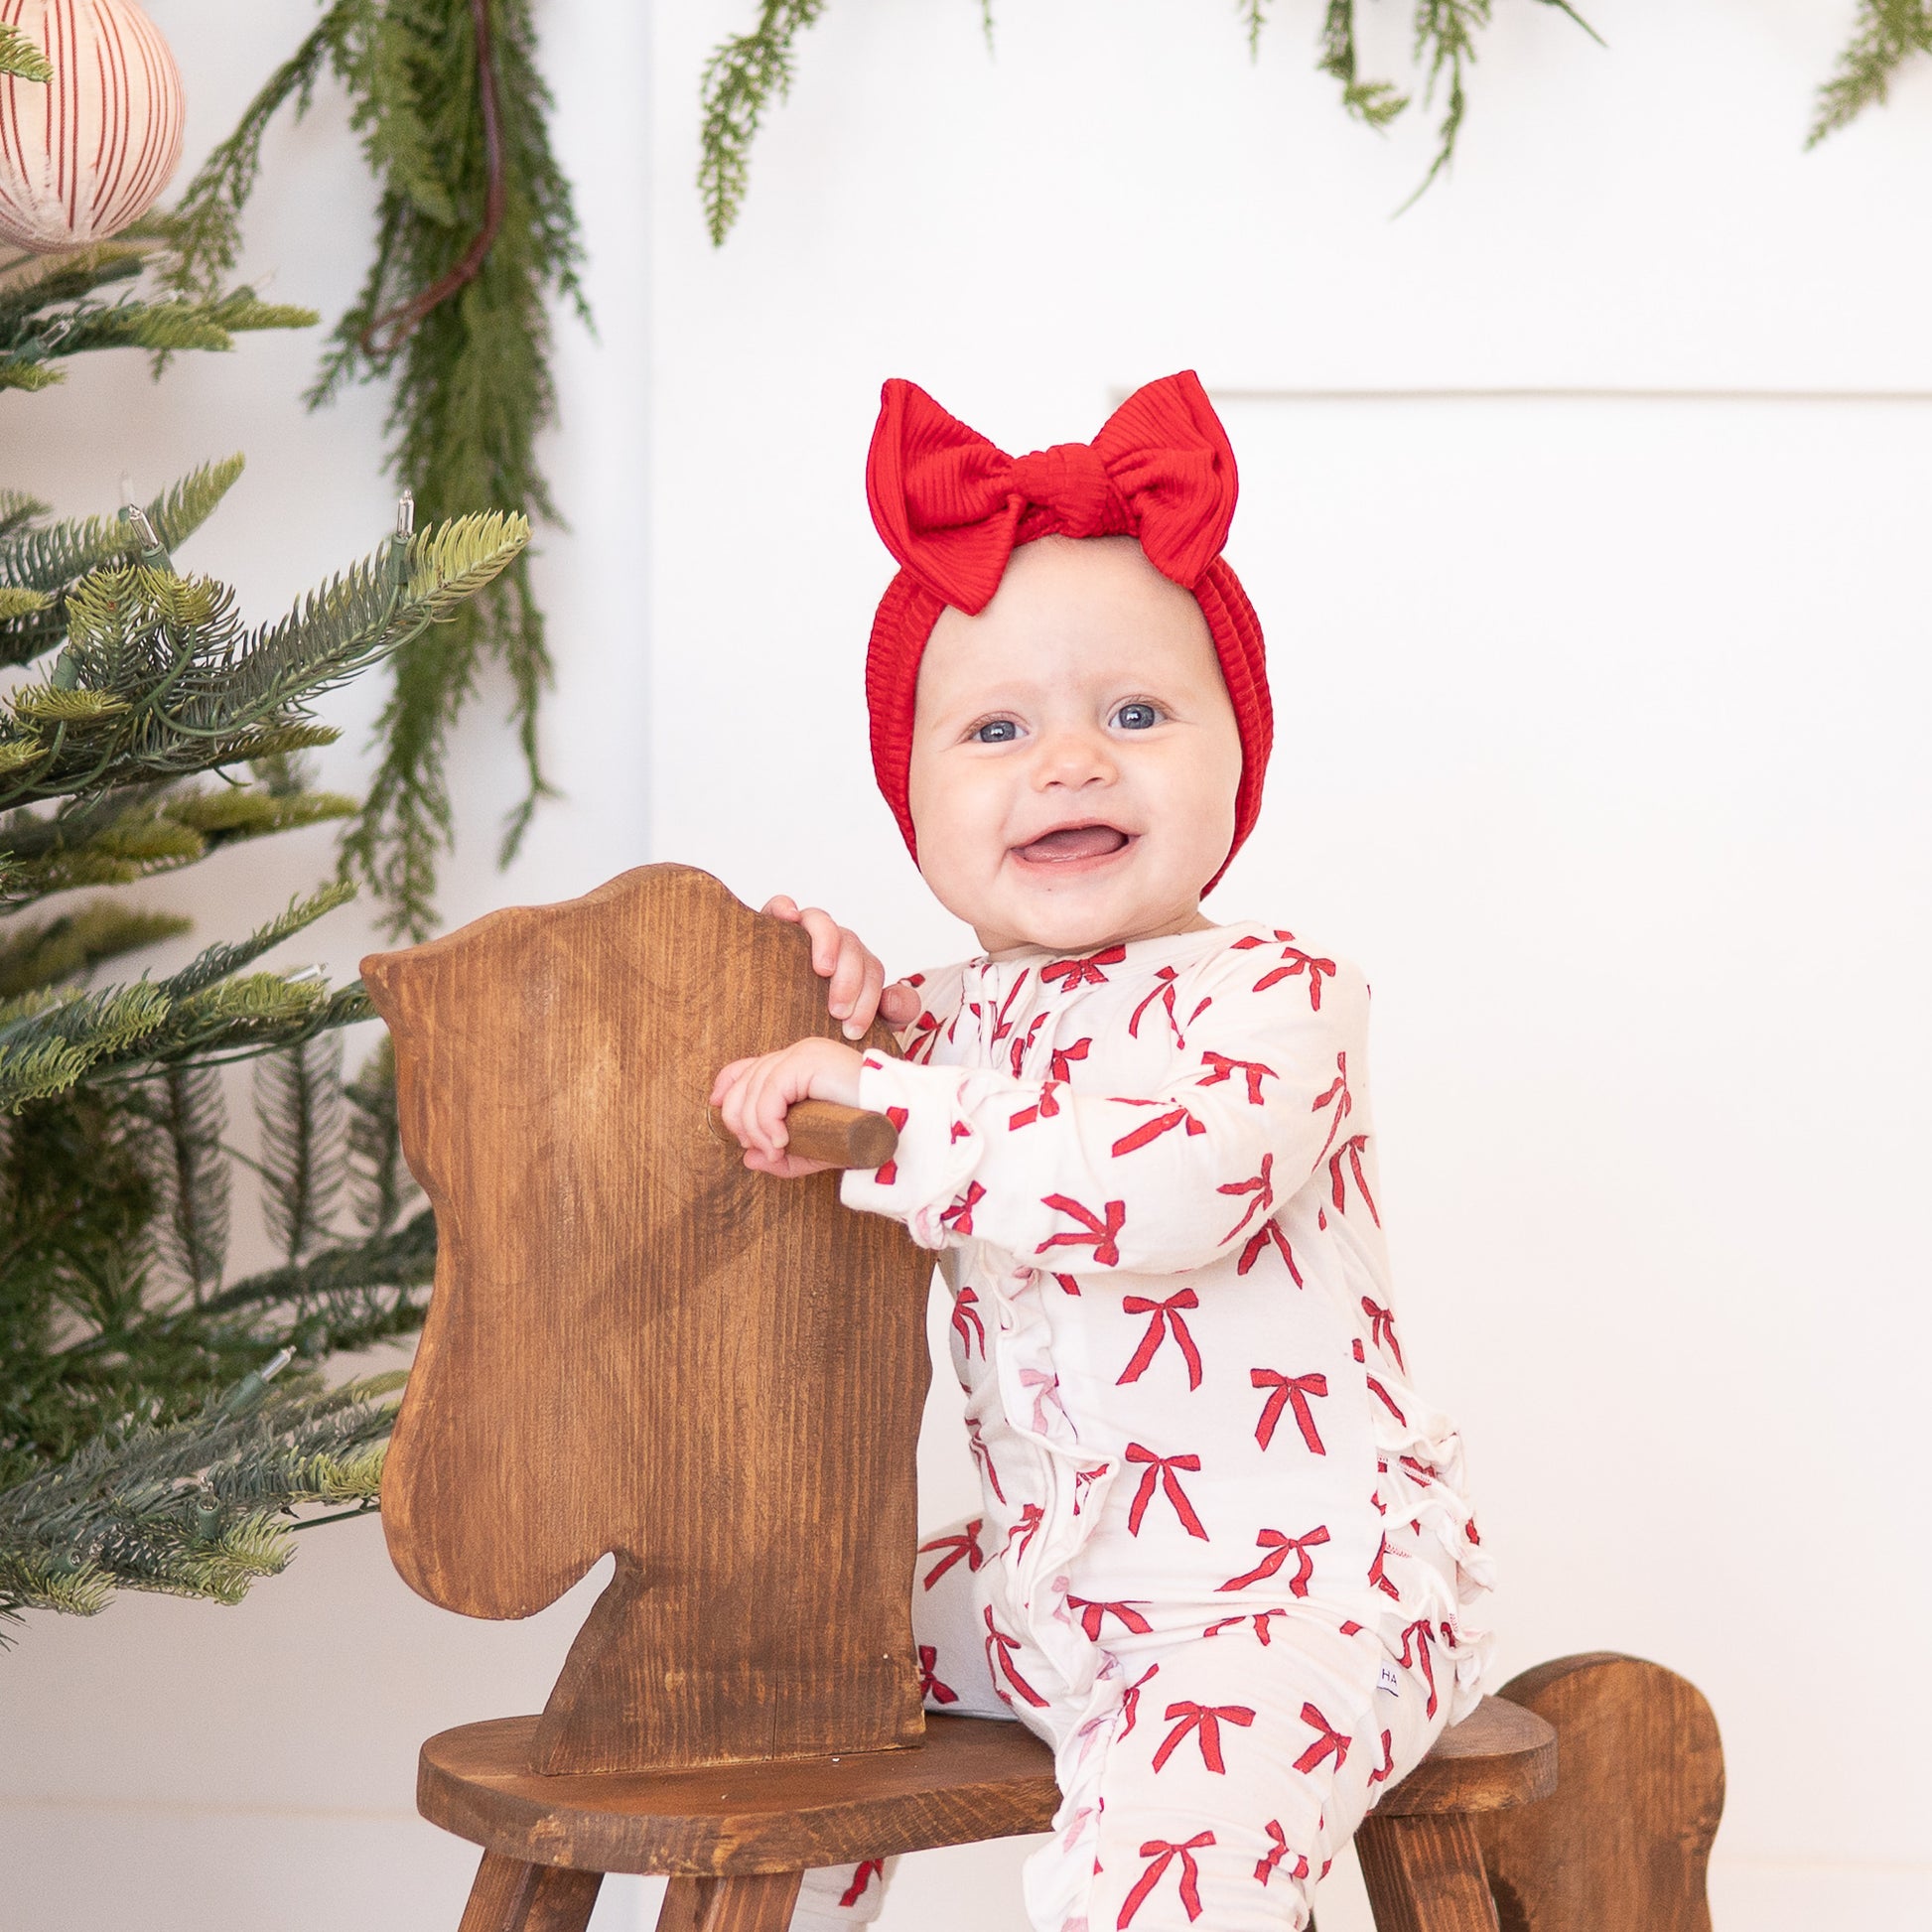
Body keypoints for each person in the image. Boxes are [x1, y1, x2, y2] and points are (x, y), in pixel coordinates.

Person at [710, 373, 1492, 1932]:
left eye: (1134, 714)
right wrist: (819, 996)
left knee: (1158, 1887)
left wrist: (888, 1092)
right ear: (916, 802)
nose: (1068, 761)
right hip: (1044, 1597)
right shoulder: (940, 1028)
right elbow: (853, 1090)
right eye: (996, 729)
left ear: (1232, 765)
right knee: (779, 1661)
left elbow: (1154, 1182)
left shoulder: (1276, 1002)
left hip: (1296, 1603)